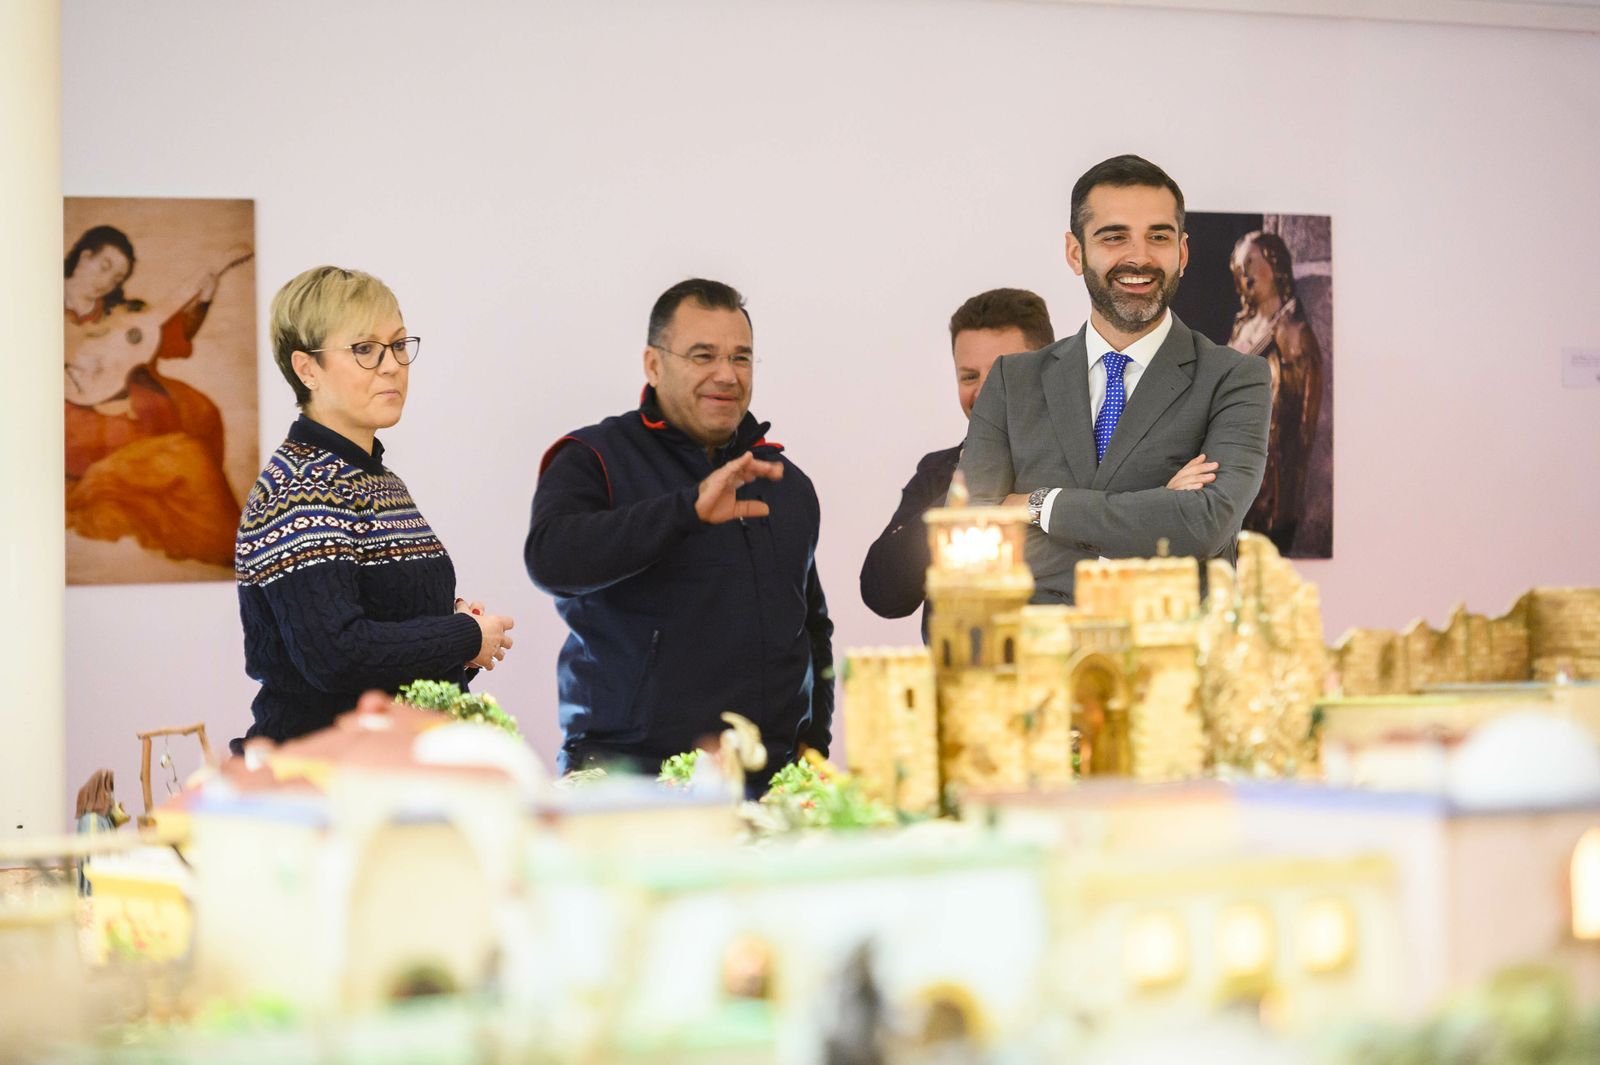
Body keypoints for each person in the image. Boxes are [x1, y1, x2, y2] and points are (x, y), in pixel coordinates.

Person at [525, 278, 833, 782]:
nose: (726, 375)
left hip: (769, 784)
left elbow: (812, 629)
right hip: (631, 782)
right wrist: (686, 510)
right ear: (653, 363)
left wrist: (811, 748)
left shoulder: (784, 482)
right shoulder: (594, 458)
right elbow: (552, 560)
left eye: (740, 358)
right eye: (702, 355)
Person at [959, 154, 1272, 602]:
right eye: (1114, 237)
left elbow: (1204, 525)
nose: (1139, 257)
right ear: (1075, 252)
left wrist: (1034, 505)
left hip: (1175, 660)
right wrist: (1157, 509)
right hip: (1034, 657)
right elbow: (972, 535)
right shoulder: (1013, 381)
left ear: (1182, 253)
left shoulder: (1235, 378)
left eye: (1158, 237)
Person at [233, 266, 514, 752]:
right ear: (307, 369)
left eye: (399, 345)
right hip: (319, 779)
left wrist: (451, 618)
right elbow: (334, 655)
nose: (392, 365)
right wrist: (464, 636)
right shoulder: (301, 486)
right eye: (364, 349)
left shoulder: (375, 476)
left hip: (385, 765)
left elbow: (380, 612)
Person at [859, 288, 1055, 635]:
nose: (983, 392)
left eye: (1002, 373)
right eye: (969, 377)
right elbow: (884, 595)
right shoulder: (939, 472)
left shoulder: (1093, 461)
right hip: (958, 684)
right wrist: (962, 489)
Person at [63, 224, 242, 566]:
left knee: (200, 413)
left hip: (132, 398)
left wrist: (205, 294)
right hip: (73, 416)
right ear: (84, 256)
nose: (108, 282)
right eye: (105, 267)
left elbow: (170, 337)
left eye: (117, 277)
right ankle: (221, 541)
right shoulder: (34, 305)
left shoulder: (123, 313)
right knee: (184, 458)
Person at [1227, 230, 1324, 554]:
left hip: (1272, 461)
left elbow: (1303, 419)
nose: (1246, 274)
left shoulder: (1294, 331)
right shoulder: (1243, 328)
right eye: (1240, 269)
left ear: (1275, 265)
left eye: (1252, 263)